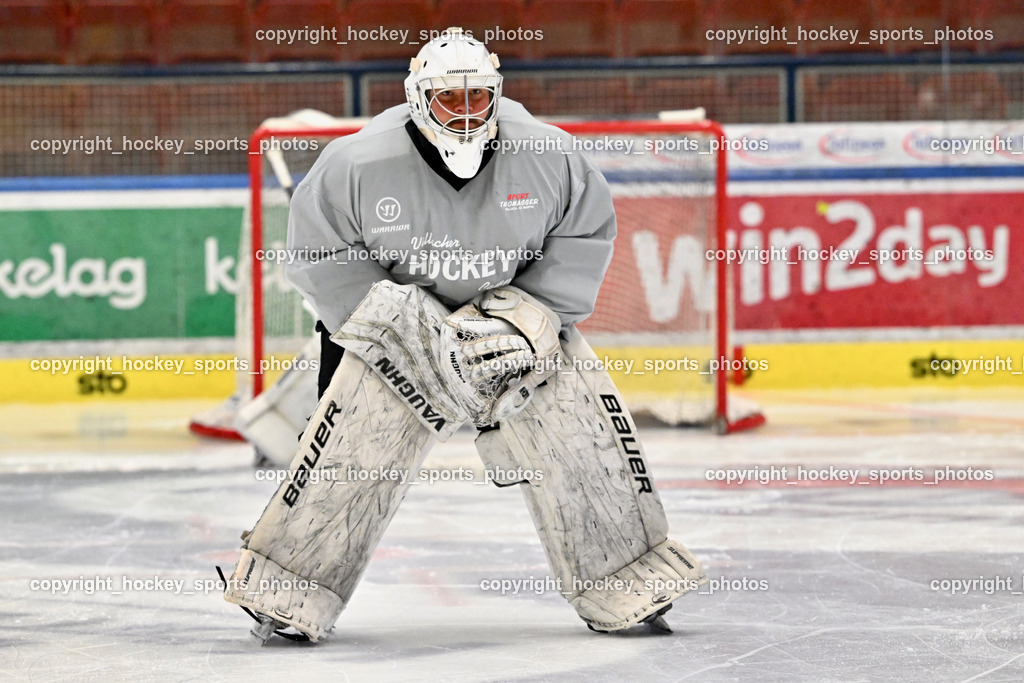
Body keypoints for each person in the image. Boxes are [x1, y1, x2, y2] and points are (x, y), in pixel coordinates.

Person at [222, 27, 706, 644]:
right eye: (449, 98)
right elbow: (318, 252)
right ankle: (289, 589)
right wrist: (395, 324)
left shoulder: (551, 154)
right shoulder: (356, 162)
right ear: (418, 98)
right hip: (394, 333)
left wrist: (532, 317)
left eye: (478, 97)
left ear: (497, 93)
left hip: (509, 328)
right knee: (349, 454)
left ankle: (624, 580)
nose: (466, 111)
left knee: (581, 432)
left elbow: (584, 235)